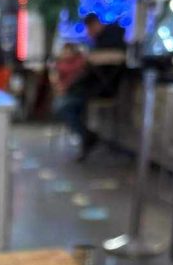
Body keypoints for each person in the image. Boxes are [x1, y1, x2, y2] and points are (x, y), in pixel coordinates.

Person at [53, 13, 126, 161]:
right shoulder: (102, 42)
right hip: (90, 90)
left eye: (89, 28)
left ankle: (87, 137)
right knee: (64, 105)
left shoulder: (107, 43)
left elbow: (91, 71)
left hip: (96, 91)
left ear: (95, 24)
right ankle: (86, 136)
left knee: (62, 106)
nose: (88, 33)